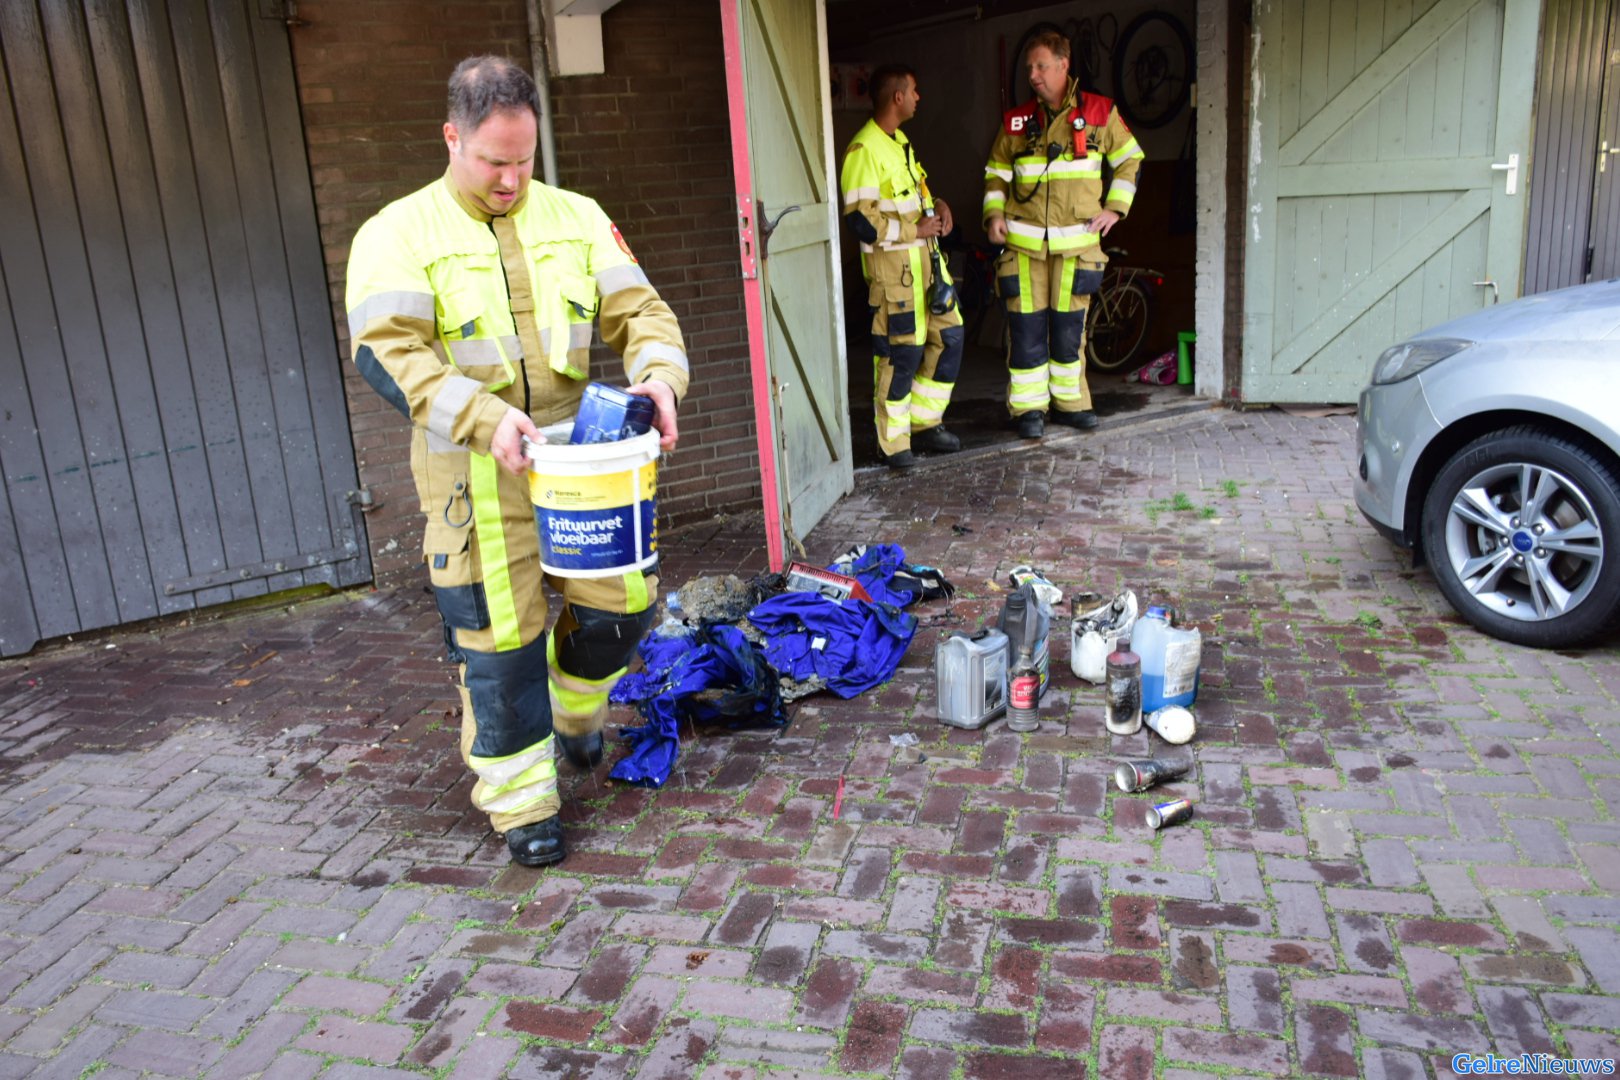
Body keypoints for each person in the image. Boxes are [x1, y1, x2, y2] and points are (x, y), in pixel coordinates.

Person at [345, 56, 689, 868]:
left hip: (585, 468)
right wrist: (483, 415)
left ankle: (574, 710)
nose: (510, 180)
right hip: (475, 476)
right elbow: (385, 351)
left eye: (524, 161)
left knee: (622, 609)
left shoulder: (577, 217)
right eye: (492, 162)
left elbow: (641, 312)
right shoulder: (397, 233)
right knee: (501, 649)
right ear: (452, 137)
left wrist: (659, 377)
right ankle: (523, 805)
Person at [982, 31, 1143, 439]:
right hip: (1024, 247)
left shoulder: (1100, 112)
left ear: (1063, 64)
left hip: (1076, 246)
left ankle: (1071, 404)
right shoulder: (1017, 121)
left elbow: (1130, 160)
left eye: (1041, 66)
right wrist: (994, 214)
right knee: (1025, 330)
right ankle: (1028, 410)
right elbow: (996, 173)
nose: (1033, 75)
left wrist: (1115, 209)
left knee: (1071, 330)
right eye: (1029, 68)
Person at [840, 64, 965, 470]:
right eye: (914, 91)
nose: (918, 97)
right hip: (895, 278)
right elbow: (861, 221)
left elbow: (915, 195)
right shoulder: (864, 149)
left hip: (927, 270)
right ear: (897, 97)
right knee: (900, 356)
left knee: (950, 338)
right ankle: (893, 444)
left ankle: (925, 424)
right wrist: (916, 230)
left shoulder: (900, 142)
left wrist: (938, 206)